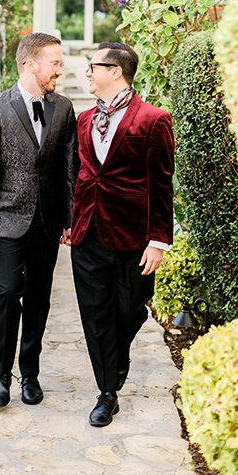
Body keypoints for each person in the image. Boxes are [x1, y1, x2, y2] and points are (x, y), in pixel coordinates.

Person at [0, 32, 76, 408]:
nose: (59, 71)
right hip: (6, 222)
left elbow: (68, 168)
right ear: (31, 64)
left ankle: (29, 375)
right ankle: (0, 376)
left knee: (39, 299)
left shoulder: (63, 108)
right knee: (8, 291)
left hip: (46, 224)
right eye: (55, 63)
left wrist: (68, 217)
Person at [70, 42, 174, 427]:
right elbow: (80, 175)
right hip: (88, 231)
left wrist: (159, 240)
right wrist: (71, 220)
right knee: (95, 313)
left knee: (131, 308)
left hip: (133, 235)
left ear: (115, 71)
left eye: (92, 66)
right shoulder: (84, 120)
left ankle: (118, 357)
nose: (87, 73)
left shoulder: (153, 119)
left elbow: (162, 185)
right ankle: (106, 392)